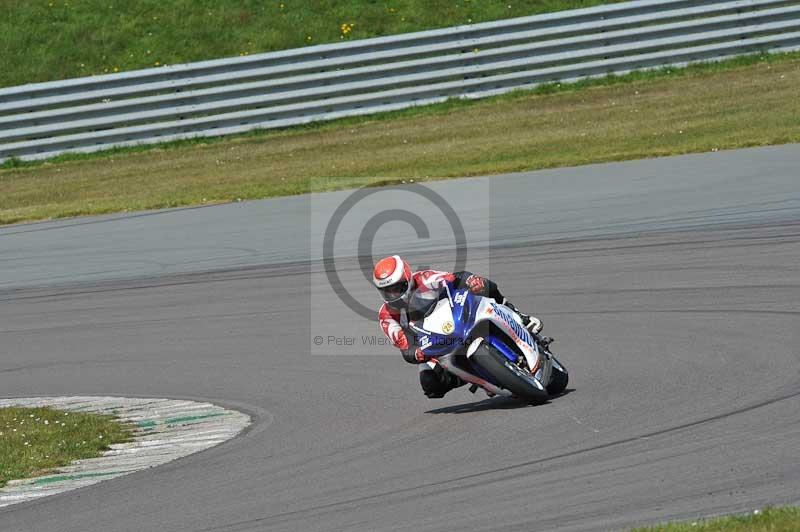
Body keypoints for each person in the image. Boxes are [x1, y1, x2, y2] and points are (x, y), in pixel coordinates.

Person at [373, 255, 550, 399]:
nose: (393, 294)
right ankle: (478, 376)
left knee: (485, 286)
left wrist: (472, 280)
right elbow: (404, 346)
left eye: (397, 288)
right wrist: (416, 353)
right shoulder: (386, 315)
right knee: (430, 384)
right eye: (387, 291)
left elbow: (457, 278)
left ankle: (520, 316)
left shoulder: (426, 278)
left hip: (449, 316)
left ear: (408, 279)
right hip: (430, 343)